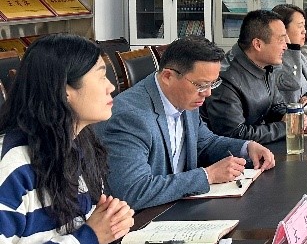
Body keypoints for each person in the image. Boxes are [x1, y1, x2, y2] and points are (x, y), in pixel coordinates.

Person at [0, 34, 134, 244]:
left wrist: (111, 220)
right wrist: (87, 236)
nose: (111, 87)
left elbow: (82, 230)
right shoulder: (12, 166)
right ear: (64, 90)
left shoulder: (77, 144)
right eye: (101, 76)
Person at [97, 36, 275, 210]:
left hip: (177, 205)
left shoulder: (185, 96)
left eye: (212, 84)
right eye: (201, 85)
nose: (207, 93)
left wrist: (247, 147)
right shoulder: (130, 117)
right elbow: (133, 191)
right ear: (168, 76)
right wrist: (208, 176)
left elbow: (205, 143)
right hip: (143, 217)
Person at [204, 10, 306, 145]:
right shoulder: (224, 78)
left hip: (259, 147)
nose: (285, 47)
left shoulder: (264, 65)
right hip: (233, 154)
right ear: (258, 44)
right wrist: (286, 127)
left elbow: (276, 105)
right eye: (281, 40)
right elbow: (235, 134)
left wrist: (292, 116)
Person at [272, 4, 307, 105]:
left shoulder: (301, 56)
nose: (304, 31)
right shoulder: (272, 60)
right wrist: (291, 48)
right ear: (282, 29)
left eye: (304, 26)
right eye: (300, 26)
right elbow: (292, 83)